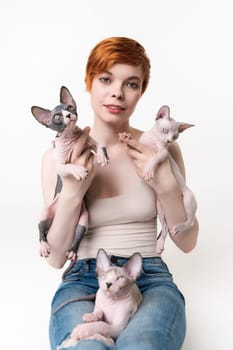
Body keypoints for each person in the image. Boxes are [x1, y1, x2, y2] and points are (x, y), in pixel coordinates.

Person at [41, 37, 199, 350]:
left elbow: (187, 242)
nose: (117, 92)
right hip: (84, 280)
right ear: (88, 83)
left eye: (131, 83)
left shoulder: (160, 149)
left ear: (142, 91)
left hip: (148, 277)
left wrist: (165, 184)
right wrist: (73, 192)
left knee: (142, 345)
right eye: (105, 79)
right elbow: (56, 257)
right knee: (88, 347)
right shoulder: (58, 159)